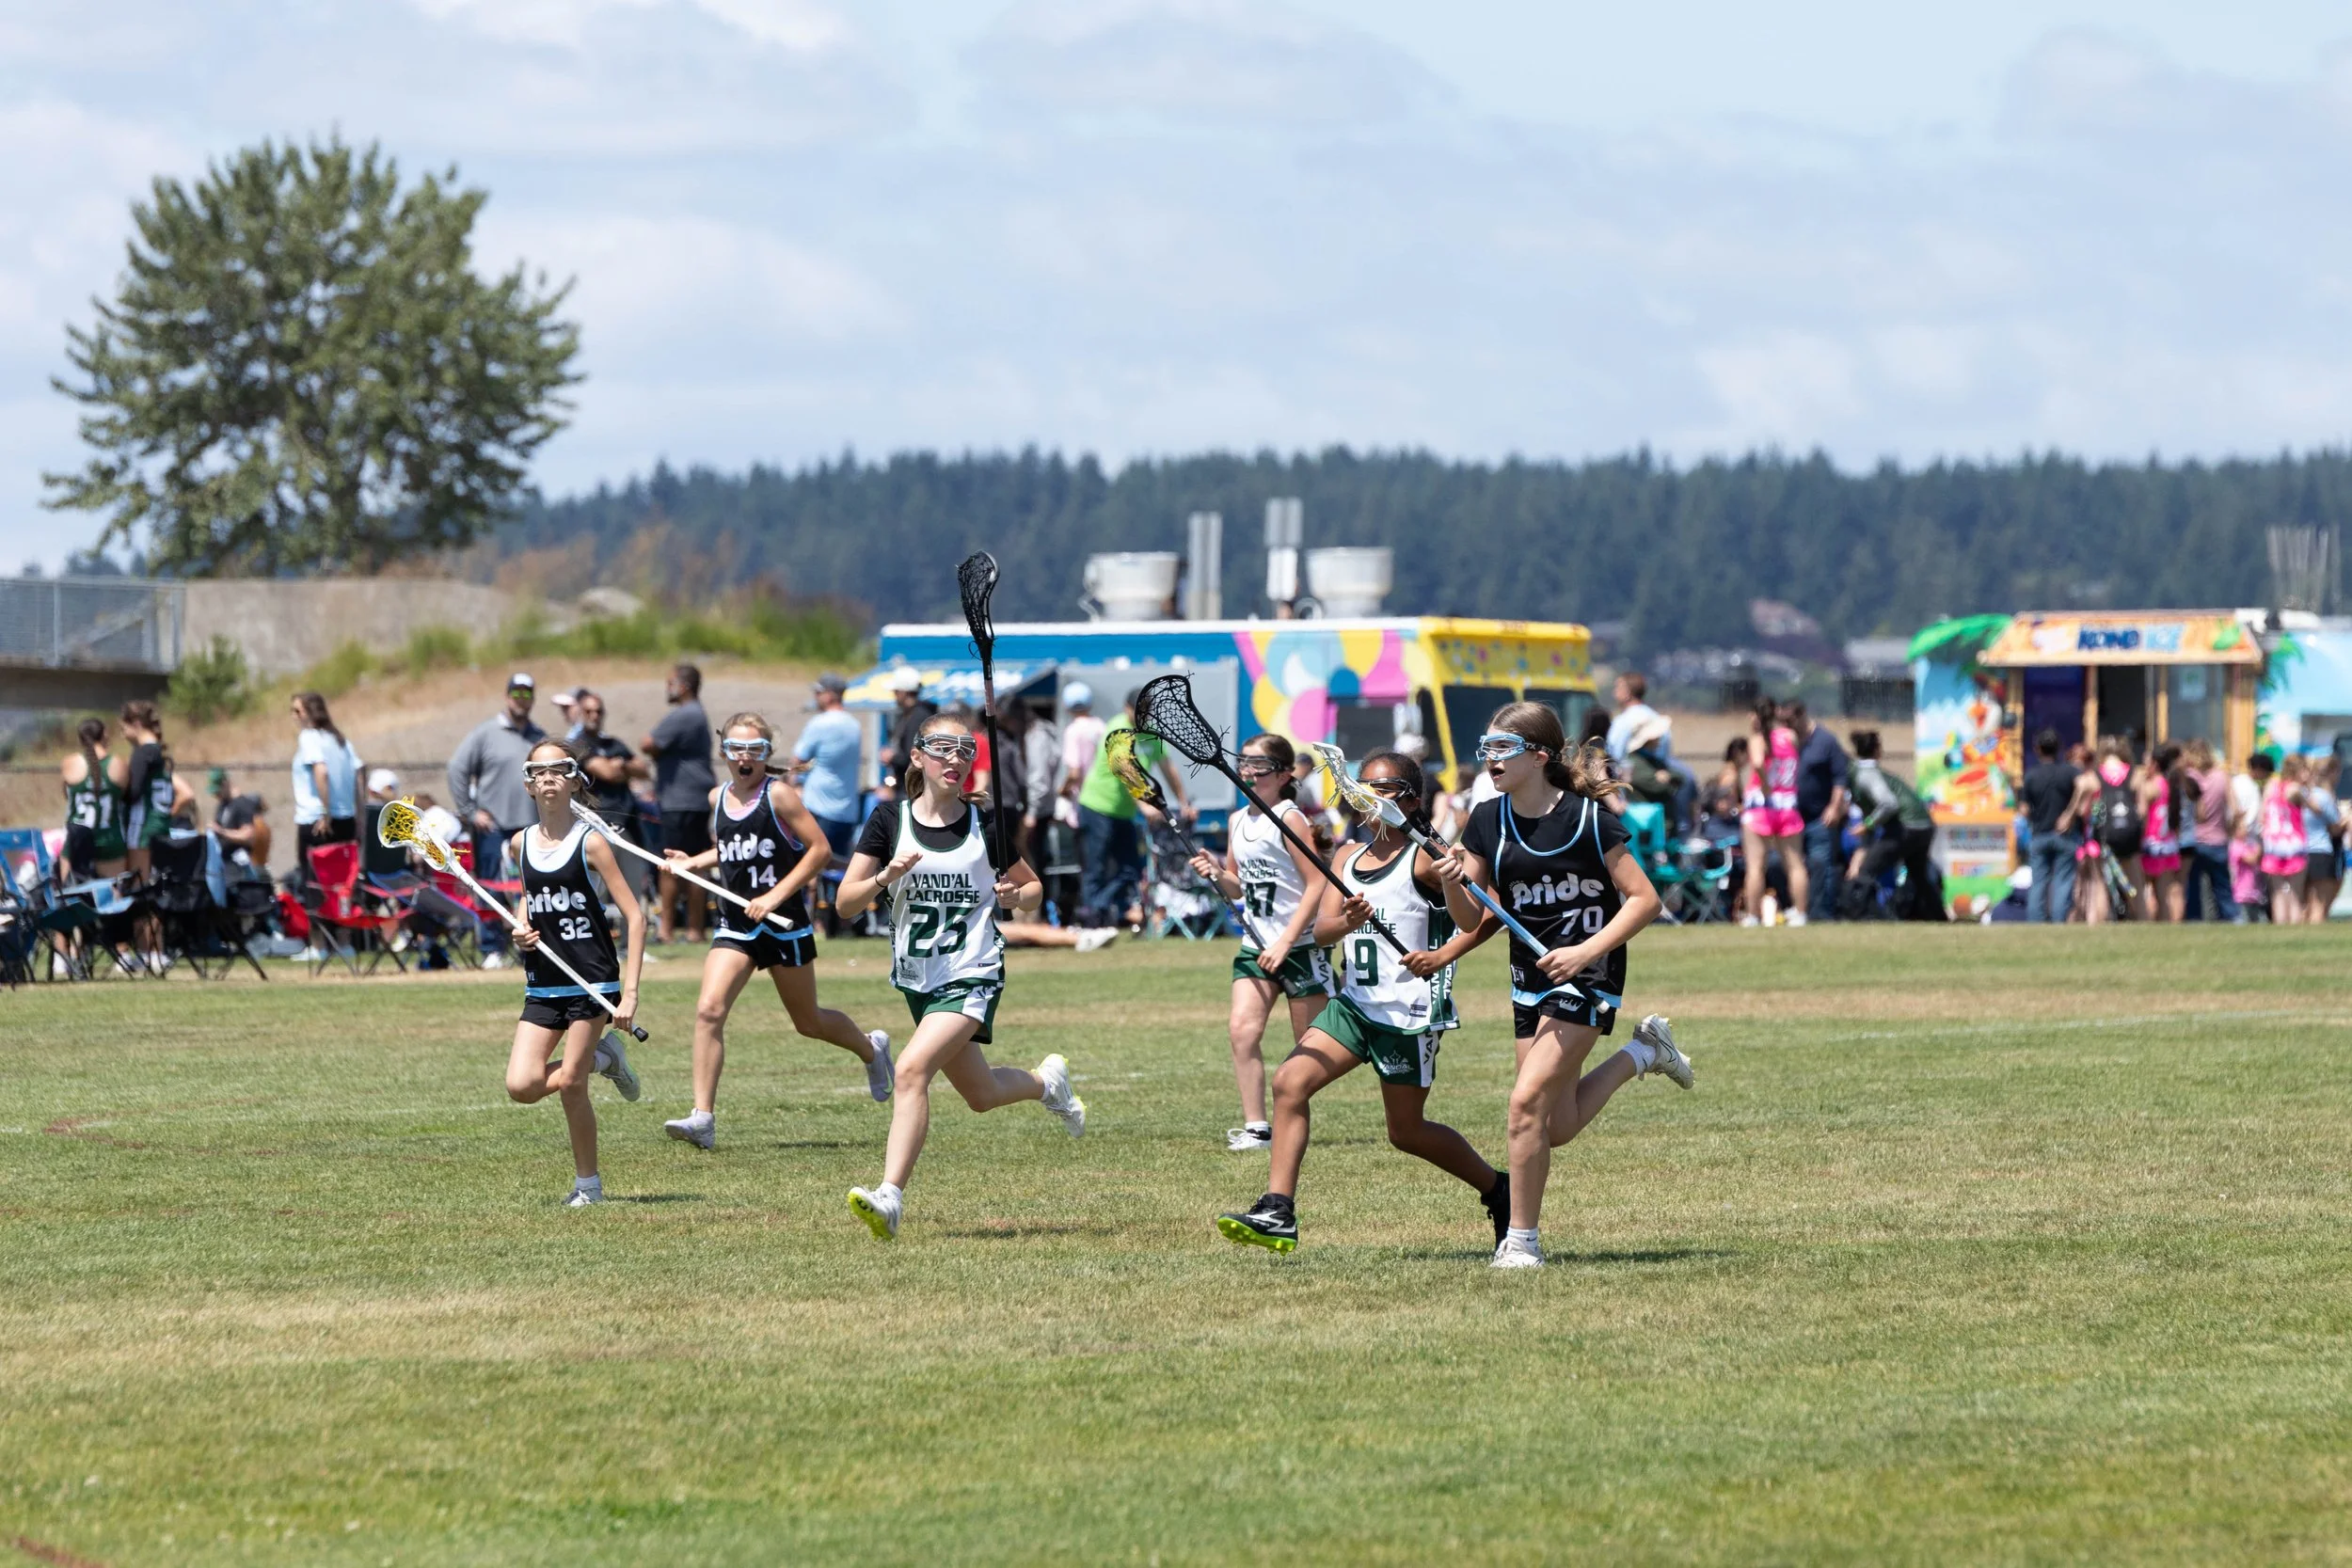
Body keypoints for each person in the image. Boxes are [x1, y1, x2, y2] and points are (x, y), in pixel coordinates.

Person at [1432, 702, 1692, 1270]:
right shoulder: (1485, 820)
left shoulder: (1588, 819)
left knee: (1524, 1103)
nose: (1491, 759)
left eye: (1504, 748)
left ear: (1539, 757)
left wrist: (1585, 952)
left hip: (1589, 975)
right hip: (1529, 976)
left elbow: (1645, 901)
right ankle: (1643, 1052)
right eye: (1489, 747)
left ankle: (1521, 1242)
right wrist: (1454, 881)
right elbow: (1470, 918)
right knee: (1556, 1125)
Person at [1216, 750, 1506, 1255]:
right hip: (1355, 1005)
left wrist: (1443, 941)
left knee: (1407, 1132)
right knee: (1289, 1083)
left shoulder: (1427, 855)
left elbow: (1479, 916)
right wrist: (1346, 921)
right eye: (1363, 786)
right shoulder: (1347, 855)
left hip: (1408, 1013)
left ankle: (1498, 1189)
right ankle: (1278, 1209)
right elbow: (1323, 929)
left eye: (1383, 789)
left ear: (1412, 800)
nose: (1367, 797)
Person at [834, 713, 1087, 1241]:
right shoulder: (887, 821)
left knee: (909, 1070)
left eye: (965, 750)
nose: (955, 759)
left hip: (972, 971)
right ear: (918, 756)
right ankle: (1048, 1083)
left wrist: (1018, 898)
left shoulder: (984, 824)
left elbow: (1034, 888)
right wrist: (886, 877)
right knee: (982, 1093)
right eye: (943, 749)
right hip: (918, 978)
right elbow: (843, 905)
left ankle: (891, 1198)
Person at [658, 712, 895, 1151]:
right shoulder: (718, 796)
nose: (745, 758)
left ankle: (870, 1048)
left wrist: (774, 897)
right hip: (736, 923)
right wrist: (694, 862)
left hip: (784, 925)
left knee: (809, 1022)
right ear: (724, 752)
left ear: (767, 754)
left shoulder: (780, 795)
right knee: (709, 1010)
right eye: (736, 749)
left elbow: (820, 851)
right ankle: (703, 1117)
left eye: (755, 750)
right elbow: (731, 847)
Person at [502, 738, 647, 1208]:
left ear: (573, 780)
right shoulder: (519, 843)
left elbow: (636, 916)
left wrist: (629, 996)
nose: (547, 777)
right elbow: (531, 896)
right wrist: (520, 927)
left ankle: (589, 1187)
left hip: (592, 980)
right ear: (528, 784)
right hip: (544, 980)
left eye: (558, 769)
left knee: (570, 1083)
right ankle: (605, 1059)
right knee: (521, 1087)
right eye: (537, 771)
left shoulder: (592, 844)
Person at [1188, 734, 1332, 1152]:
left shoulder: (1289, 818)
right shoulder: (1237, 821)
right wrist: (1215, 872)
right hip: (1256, 945)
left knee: (1312, 1048)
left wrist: (1287, 942)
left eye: (1261, 766)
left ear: (1285, 775)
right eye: (1244, 764)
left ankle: (1292, 1116)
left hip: (1299, 947)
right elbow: (1237, 888)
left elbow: (1316, 883)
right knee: (1242, 1031)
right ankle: (1257, 1128)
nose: (1249, 772)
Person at [447, 673, 548, 964]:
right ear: (507, 697)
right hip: (493, 827)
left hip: (530, 827)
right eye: (516, 693)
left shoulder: (538, 737)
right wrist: (469, 811)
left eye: (527, 694)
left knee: (530, 887)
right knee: (491, 887)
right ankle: (492, 947)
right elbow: (456, 769)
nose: (521, 699)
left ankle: (528, 944)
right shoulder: (486, 733)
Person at [1075, 692, 1190, 929]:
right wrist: (1145, 806)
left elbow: (1167, 767)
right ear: (1126, 708)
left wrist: (1183, 801)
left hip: (1124, 813)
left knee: (1131, 869)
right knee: (1096, 868)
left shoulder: (1150, 733)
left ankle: (1107, 910)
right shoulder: (1117, 730)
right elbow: (1124, 770)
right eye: (1137, 710)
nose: (1141, 716)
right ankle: (1091, 920)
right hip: (1098, 806)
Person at [642, 663, 717, 944]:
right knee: (696, 861)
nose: (667, 688)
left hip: (681, 800)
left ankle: (667, 931)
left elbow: (648, 743)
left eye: (671, 682)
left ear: (684, 686)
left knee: (672, 863)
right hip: (694, 799)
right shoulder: (697, 713)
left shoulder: (685, 714)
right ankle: (695, 930)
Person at [1845, 730, 1939, 919]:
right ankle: (1939, 917)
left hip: (1907, 827)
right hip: (1925, 826)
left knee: (1866, 872)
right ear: (1877, 750)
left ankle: (1862, 916)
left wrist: (1868, 824)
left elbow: (1888, 804)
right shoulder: (1874, 772)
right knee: (1919, 876)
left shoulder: (1865, 774)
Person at [1740, 699, 1807, 927]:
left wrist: (1766, 787)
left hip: (1761, 806)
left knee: (1756, 865)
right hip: (1787, 805)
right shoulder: (1791, 736)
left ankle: (1752, 916)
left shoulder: (1757, 739)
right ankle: (1800, 912)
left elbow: (1758, 762)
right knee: (1795, 864)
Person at [569, 690, 644, 888]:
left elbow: (644, 770)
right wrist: (621, 766)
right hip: (598, 824)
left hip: (627, 824)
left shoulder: (614, 743)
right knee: (599, 889)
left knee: (632, 885)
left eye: (598, 711)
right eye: (588, 711)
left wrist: (622, 766)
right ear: (580, 713)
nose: (594, 716)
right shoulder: (578, 745)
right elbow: (607, 773)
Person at [791, 673, 866, 863]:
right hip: (847, 809)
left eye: (818, 692)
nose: (815, 697)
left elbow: (798, 760)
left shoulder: (820, 723)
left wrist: (795, 787)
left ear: (831, 695)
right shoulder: (854, 725)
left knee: (810, 867)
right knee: (837, 867)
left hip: (818, 806)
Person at [1788, 701, 1850, 922]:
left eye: (1790, 720)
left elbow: (1840, 778)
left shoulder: (1826, 741)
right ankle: (1796, 908)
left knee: (1821, 863)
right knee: (1781, 863)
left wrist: (1834, 807)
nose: (1787, 726)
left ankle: (1822, 913)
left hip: (1820, 817)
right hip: (1790, 817)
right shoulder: (1786, 741)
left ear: (1802, 715)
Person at [2019, 729, 2082, 924]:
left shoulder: (2031, 775)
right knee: (2063, 881)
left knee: (2038, 882)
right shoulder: (2070, 772)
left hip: (2040, 835)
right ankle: (2059, 920)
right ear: (2059, 749)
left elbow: (2024, 809)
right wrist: (2069, 814)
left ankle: (2035, 922)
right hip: (2065, 835)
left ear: (2037, 749)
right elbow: (2087, 786)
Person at [2081, 738, 2145, 924]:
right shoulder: (2135, 775)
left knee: (2099, 883)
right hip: (2128, 835)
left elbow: (2085, 811)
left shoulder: (2094, 776)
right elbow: (2141, 810)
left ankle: (2097, 926)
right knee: (2135, 885)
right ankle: (2144, 921)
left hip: (2104, 837)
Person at [119, 700, 184, 879]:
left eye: (124, 729)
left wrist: (116, 789)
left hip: (143, 826)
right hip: (161, 823)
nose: (123, 735)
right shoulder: (158, 751)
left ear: (136, 725)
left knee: (139, 883)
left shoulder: (143, 752)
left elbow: (134, 792)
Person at [59, 717, 126, 881]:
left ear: (80, 739)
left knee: (72, 899)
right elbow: (124, 796)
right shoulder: (118, 763)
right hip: (109, 840)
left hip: (77, 842)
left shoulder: (70, 762)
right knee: (113, 903)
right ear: (105, 735)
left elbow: (67, 796)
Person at [2259, 754, 2311, 925]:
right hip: (2293, 841)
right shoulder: (2295, 789)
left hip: (2273, 842)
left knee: (2278, 892)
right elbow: (2313, 806)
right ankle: (2294, 926)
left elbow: (2262, 815)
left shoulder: (2271, 786)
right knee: (2296, 893)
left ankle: (2280, 925)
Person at [2137, 742, 2186, 923]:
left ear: (2154, 764)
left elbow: (2141, 811)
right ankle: (2171, 923)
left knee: (2149, 887)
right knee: (2167, 888)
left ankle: (2150, 922)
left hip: (2152, 842)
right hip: (2168, 841)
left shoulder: (2152, 786)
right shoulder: (2170, 784)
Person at [2302, 756, 2343, 924]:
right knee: (2319, 907)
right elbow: (2335, 827)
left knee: (2305, 905)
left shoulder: (2303, 795)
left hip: (2301, 851)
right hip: (2321, 851)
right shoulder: (2325, 797)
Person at [878, 667, 937, 780]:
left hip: (913, 785)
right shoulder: (909, 714)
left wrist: (892, 757)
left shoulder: (919, 716)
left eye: (896, 692)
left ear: (904, 692)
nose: (894, 696)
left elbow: (914, 756)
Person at [2232, 753, 2272, 921]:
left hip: (2241, 838)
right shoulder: (2249, 787)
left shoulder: (2236, 782)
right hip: (2247, 840)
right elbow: (2252, 817)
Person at [209, 768, 271, 873]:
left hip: (239, 867)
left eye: (218, 791)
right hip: (223, 863)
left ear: (225, 784)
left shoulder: (242, 804)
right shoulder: (223, 805)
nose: (216, 795)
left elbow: (248, 835)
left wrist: (222, 832)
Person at [1604, 673, 1664, 765]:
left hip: (1628, 776)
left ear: (1627, 693)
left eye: (1617, 688)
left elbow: (1615, 755)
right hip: (1659, 774)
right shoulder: (1657, 718)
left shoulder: (1622, 721)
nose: (1614, 692)